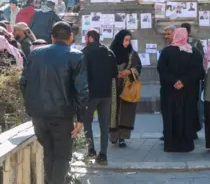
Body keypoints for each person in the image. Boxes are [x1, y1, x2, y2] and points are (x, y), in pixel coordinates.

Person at [20, 22, 87, 184]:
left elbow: (23, 82)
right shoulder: (76, 56)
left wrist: (31, 106)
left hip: (38, 115)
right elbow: (82, 90)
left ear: (52, 37)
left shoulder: (35, 54)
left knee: (49, 154)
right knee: (62, 156)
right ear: (71, 37)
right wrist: (81, 118)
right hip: (62, 115)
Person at [157, 27, 204, 152]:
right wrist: (184, 82)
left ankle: (171, 145)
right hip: (188, 92)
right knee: (186, 117)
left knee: (171, 117)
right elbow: (198, 72)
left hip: (170, 92)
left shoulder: (166, 52)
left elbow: (162, 70)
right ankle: (186, 145)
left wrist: (174, 81)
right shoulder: (194, 52)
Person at [83, 29, 118, 165]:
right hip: (106, 93)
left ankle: (91, 150)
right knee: (104, 125)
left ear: (90, 38)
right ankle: (103, 154)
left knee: (87, 122)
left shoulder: (85, 52)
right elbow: (115, 72)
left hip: (91, 93)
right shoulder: (109, 52)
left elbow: (82, 74)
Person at [109, 29, 142, 147]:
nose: (127, 43)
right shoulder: (110, 53)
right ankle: (113, 136)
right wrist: (115, 73)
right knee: (112, 111)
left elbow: (138, 67)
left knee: (125, 111)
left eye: (129, 40)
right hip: (112, 86)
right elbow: (104, 68)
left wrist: (128, 71)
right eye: (126, 40)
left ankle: (122, 137)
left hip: (126, 86)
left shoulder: (132, 54)